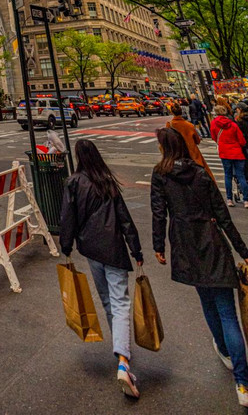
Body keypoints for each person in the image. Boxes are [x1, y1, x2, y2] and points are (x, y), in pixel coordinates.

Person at [151, 127, 248, 408]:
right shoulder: (201, 173)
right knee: (227, 310)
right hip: (212, 241)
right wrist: (243, 250)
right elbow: (223, 215)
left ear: (164, 148)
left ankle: (225, 353)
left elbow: (159, 214)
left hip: (184, 244)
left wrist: (158, 246)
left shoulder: (161, 175)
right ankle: (242, 382)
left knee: (207, 302)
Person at [59, 139, 143, 399]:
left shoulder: (73, 183)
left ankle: (122, 354)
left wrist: (66, 246)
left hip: (91, 249)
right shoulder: (106, 181)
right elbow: (125, 219)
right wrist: (136, 249)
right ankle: (123, 359)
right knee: (118, 303)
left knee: (109, 301)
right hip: (114, 249)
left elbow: (67, 217)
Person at [211, 103, 248, 206]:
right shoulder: (233, 124)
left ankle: (229, 199)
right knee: (241, 176)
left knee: (228, 175)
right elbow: (242, 141)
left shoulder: (214, 123)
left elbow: (214, 137)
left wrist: (221, 143)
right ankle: (246, 200)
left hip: (225, 153)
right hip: (237, 152)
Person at [166, 102, 213, 180]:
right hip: (192, 153)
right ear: (181, 112)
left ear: (172, 112)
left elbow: (168, 140)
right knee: (202, 175)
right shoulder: (189, 125)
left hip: (178, 154)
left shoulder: (169, 125)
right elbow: (197, 141)